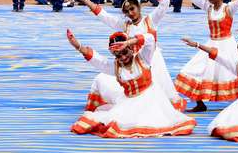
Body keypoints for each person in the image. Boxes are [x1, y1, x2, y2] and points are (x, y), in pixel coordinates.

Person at [68, 0, 185, 112]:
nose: (130, 13)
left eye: (132, 9)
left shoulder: (150, 20)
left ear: (139, 6)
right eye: (126, 11)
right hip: (132, 62)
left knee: (158, 100)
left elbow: (165, 1)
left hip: (152, 61)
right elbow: (104, 15)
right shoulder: (125, 25)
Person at [67, 29, 196, 138]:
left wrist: (128, 41)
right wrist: (77, 46)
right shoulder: (115, 66)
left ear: (131, 48)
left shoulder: (143, 58)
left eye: (124, 52)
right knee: (117, 123)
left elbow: (150, 38)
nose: (122, 57)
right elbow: (98, 60)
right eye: (118, 55)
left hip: (152, 99)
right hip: (129, 101)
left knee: (156, 123)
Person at [165, 0, 238, 112]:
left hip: (227, 45)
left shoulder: (229, 8)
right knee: (193, 71)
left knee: (237, 74)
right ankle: (200, 104)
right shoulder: (207, 7)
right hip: (211, 44)